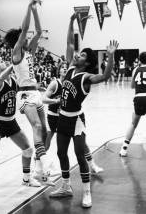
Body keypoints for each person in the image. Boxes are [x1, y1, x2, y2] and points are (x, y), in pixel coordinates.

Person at [49, 12, 118, 208]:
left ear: (86, 62)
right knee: (61, 153)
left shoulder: (86, 77)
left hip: (76, 120)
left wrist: (111, 56)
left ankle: (87, 192)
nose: (78, 55)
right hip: (62, 117)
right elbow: (70, 44)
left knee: (80, 154)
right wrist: (71, 22)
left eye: (83, 55)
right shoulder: (70, 68)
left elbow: (104, 76)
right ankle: (65, 186)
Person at [4, 0, 54, 186]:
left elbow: (39, 31)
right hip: (24, 95)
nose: (26, 38)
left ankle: (38, 170)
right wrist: (27, 6)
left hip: (36, 94)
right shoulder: (16, 52)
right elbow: (25, 29)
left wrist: (35, 10)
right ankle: (45, 163)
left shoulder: (30, 51)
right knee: (37, 127)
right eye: (22, 37)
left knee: (44, 131)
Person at [0, 62, 40, 201]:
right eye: (2, 64)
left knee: (28, 149)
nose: (4, 62)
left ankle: (26, 179)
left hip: (11, 121)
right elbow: (0, 78)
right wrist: (14, 64)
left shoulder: (14, 80)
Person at [119, 52, 146, 157]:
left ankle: (124, 149)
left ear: (139, 60)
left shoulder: (135, 69)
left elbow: (131, 86)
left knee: (133, 124)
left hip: (138, 98)